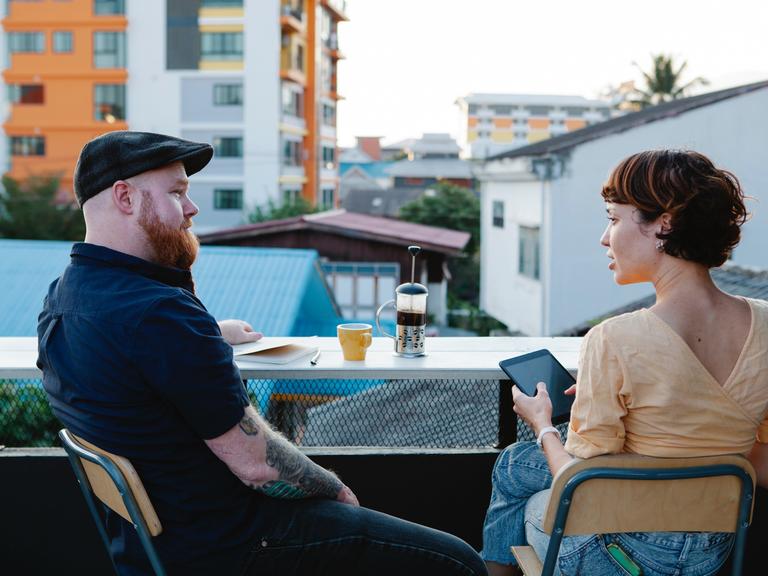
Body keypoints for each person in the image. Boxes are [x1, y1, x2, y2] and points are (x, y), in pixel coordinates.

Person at [38, 131, 487, 576]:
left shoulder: (65, 298)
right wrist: (334, 489)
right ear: (125, 197)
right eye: (177, 193)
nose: (192, 209)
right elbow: (257, 466)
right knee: (459, 562)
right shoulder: (160, 315)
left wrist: (211, 332)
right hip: (235, 546)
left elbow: (132, 355)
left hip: (150, 551)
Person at [481, 150, 768, 576]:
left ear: (664, 223)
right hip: (712, 553)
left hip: (617, 555)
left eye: (614, 219)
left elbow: (577, 483)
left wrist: (542, 422)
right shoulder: (764, 322)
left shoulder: (614, 338)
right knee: (517, 464)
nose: (604, 237)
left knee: (520, 474)